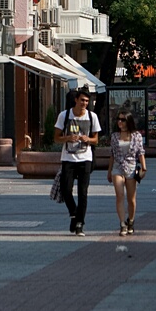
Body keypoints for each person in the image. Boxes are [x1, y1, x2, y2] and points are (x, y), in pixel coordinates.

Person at [54, 87, 101, 237]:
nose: (84, 103)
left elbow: (96, 140)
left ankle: (80, 223)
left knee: (83, 192)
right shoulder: (65, 115)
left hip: (85, 158)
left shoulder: (92, 117)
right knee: (66, 190)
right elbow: (56, 138)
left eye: (87, 101)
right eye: (82, 100)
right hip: (68, 158)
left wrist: (88, 139)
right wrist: (68, 138)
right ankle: (74, 214)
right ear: (76, 100)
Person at [107, 110, 147, 236]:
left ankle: (131, 220)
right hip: (118, 167)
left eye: (123, 120)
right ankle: (122, 223)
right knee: (119, 195)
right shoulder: (114, 136)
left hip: (131, 167)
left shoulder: (136, 136)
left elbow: (140, 152)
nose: (120, 122)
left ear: (128, 121)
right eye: (118, 119)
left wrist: (144, 168)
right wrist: (109, 171)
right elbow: (112, 154)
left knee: (131, 198)